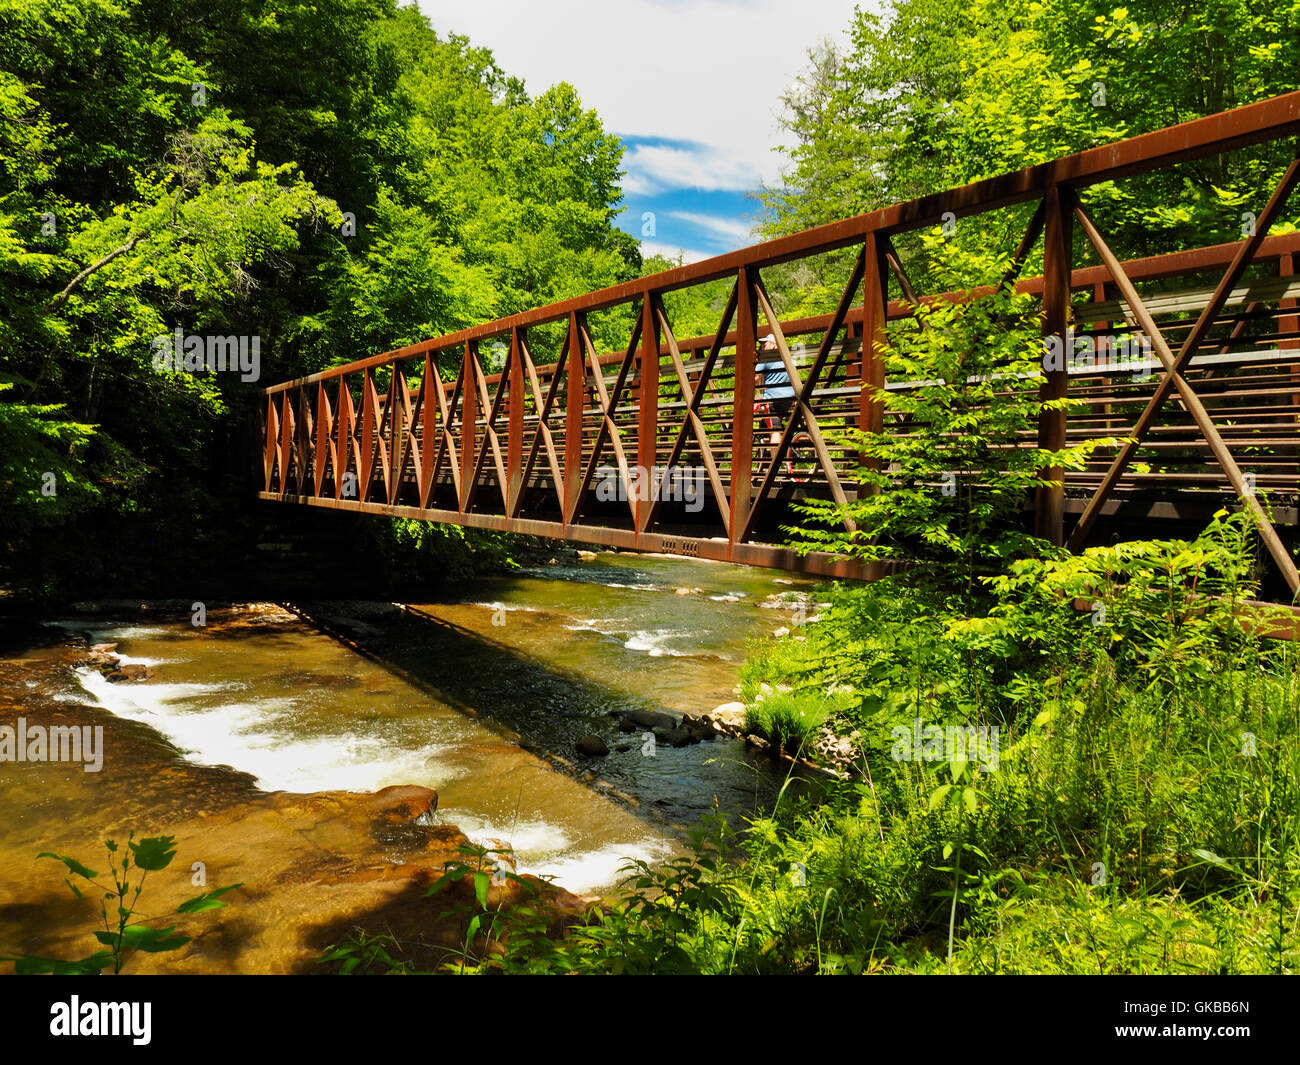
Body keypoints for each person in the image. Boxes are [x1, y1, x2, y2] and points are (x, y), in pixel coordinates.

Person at [755, 334, 794, 467]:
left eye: (765, 344)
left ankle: (774, 468)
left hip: (773, 401)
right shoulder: (789, 359)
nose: (762, 347)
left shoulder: (766, 360)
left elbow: (753, 379)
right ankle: (764, 464)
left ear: (774, 344)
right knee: (767, 426)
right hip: (790, 400)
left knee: (775, 432)